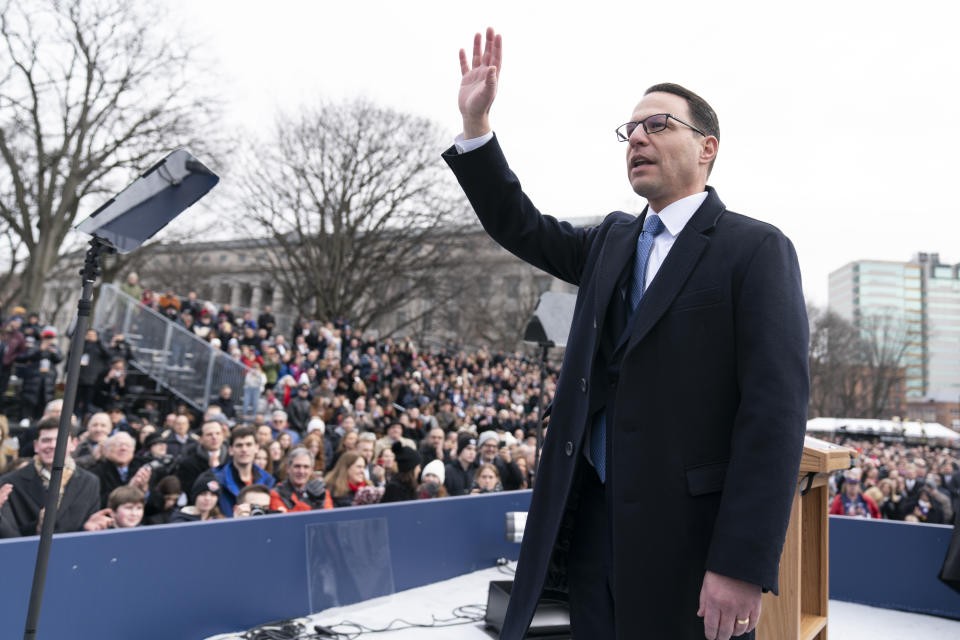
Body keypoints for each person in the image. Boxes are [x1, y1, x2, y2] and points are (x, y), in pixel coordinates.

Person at [444, 29, 809, 640]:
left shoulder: (756, 249)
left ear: (707, 148)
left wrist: (741, 562)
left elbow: (774, 417)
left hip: (690, 547)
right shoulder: (609, 240)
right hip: (590, 528)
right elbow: (520, 224)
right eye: (630, 130)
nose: (637, 136)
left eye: (659, 124)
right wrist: (477, 125)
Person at [0, 417, 105, 537]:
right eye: (46, 440)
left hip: (75, 553)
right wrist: (37, 527)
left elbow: (88, 528)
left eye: (60, 440)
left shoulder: (90, 482)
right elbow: (10, 536)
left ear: (74, 444)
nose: (53, 445)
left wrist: (88, 528)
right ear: (36, 445)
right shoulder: (10, 483)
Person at [196, 426, 275, 517]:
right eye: (239, 445)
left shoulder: (268, 480)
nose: (244, 450)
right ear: (230, 450)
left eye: (249, 445)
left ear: (256, 448)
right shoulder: (214, 478)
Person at [269, 448, 332, 512]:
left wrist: (319, 503)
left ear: (311, 470)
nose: (301, 471)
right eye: (297, 466)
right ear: (288, 468)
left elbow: (330, 517)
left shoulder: (320, 492)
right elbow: (288, 520)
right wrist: (309, 503)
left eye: (306, 467)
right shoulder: (276, 494)